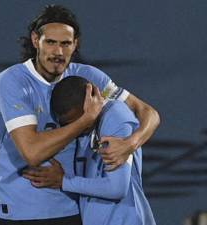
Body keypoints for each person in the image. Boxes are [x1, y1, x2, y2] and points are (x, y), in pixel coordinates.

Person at [0, 4, 159, 225]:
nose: (58, 52)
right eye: (50, 42)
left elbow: (148, 112)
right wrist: (85, 121)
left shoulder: (89, 78)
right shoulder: (12, 81)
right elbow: (32, 153)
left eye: (65, 43)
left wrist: (131, 143)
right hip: (22, 211)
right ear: (35, 40)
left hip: (71, 207)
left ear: (75, 44)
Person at [23, 76, 156, 225]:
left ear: (92, 100)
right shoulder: (84, 128)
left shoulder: (116, 116)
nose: (77, 127)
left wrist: (64, 181)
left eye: (81, 119)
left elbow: (117, 187)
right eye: (69, 124)